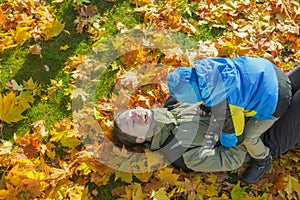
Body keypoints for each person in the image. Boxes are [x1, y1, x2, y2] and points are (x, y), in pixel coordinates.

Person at [167, 56, 292, 183]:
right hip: (268, 71)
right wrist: (209, 106)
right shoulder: (207, 69)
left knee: (250, 138)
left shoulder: (225, 106)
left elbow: (237, 136)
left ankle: (263, 159)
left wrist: (222, 141)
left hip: (276, 100)